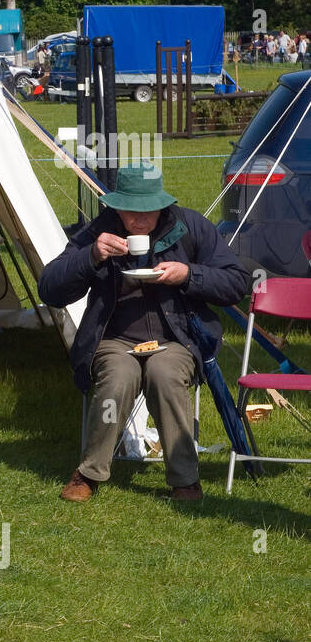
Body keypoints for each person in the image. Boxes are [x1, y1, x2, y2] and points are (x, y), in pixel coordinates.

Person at [38, 164, 249, 502]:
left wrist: (188, 274)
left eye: (148, 211)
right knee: (117, 378)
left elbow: (237, 282)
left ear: (162, 205)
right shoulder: (100, 232)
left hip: (175, 339)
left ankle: (185, 481)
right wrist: (90, 256)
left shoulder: (189, 226)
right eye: (131, 211)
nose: (139, 219)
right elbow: (49, 289)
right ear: (117, 206)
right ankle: (89, 474)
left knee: (165, 374)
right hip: (114, 340)